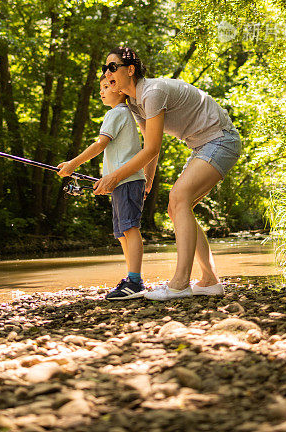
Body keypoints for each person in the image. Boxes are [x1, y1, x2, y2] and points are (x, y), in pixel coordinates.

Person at [93, 45, 241, 301]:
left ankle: (180, 283)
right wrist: (148, 179)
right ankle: (209, 281)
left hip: (221, 140)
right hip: (201, 146)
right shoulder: (136, 103)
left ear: (130, 70)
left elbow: (151, 148)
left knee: (179, 197)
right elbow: (152, 147)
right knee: (176, 208)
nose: (107, 73)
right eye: (105, 68)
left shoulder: (152, 92)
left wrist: (115, 177)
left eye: (112, 67)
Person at [57, 73, 149, 300]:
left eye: (107, 86)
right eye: (101, 87)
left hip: (127, 180)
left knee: (130, 228)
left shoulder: (116, 113)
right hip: (121, 182)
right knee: (121, 233)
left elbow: (100, 145)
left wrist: (73, 164)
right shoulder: (123, 114)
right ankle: (131, 278)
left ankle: (135, 281)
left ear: (119, 89)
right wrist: (106, 179)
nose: (102, 91)